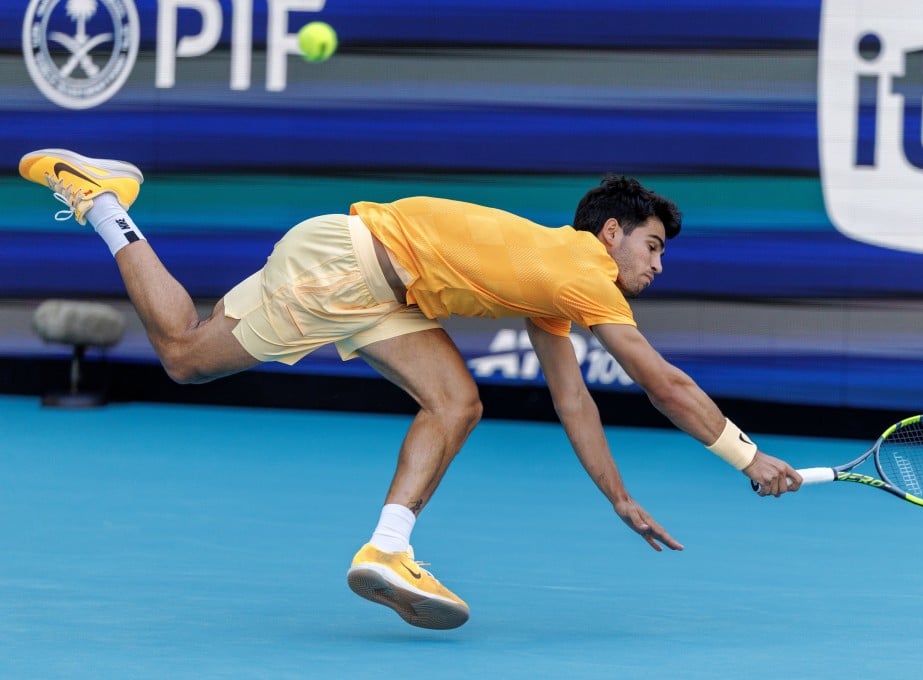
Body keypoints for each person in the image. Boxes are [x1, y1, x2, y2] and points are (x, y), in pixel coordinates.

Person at [19, 148, 802, 630]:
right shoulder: (585, 274)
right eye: (653, 246)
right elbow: (663, 384)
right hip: (347, 269)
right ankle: (103, 202)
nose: (657, 265)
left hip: (370, 282)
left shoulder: (556, 282)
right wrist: (748, 456)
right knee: (186, 356)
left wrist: (619, 498)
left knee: (455, 401)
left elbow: (575, 401)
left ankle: (388, 550)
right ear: (611, 233)